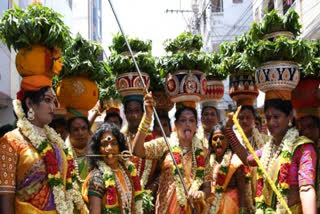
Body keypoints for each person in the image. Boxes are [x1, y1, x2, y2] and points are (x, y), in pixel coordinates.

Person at [0, 78, 87, 214]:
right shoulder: (11, 141)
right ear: (29, 103)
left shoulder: (57, 142)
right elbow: (6, 196)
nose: (53, 107)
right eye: (47, 100)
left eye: (54, 101)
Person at [225, 99, 317, 214]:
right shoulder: (269, 148)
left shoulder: (302, 148)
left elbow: (306, 189)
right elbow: (247, 159)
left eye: (276, 117)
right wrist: (229, 129)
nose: (271, 123)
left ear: (289, 116)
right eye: (268, 118)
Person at [132, 92, 209, 214]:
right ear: (176, 125)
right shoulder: (165, 144)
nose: (187, 124)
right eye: (183, 120)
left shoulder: (203, 152)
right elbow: (137, 151)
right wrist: (147, 118)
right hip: (165, 208)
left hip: (191, 208)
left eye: (191, 120)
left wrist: (201, 193)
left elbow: (206, 185)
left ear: (195, 126)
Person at [83, 122, 144, 214]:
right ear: (98, 149)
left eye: (113, 143)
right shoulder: (97, 177)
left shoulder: (127, 170)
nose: (109, 148)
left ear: (120, 147)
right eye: (104, 144)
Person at [205, 125, 249, 214]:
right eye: (215, 139)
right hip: (211, 206)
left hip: (231, 207)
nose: (218, 141)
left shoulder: (235, 162)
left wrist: (243, 211)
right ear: (211, 143)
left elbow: (242, 192)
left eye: (221, 138)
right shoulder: (208, 161)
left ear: (228, 141)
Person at [66, 116, 91, 185]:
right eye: (75, 130)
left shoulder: (97, 152)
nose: (80, 133)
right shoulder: (63, 154)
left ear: (89, 131)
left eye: (84, 128)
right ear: (69, 133)